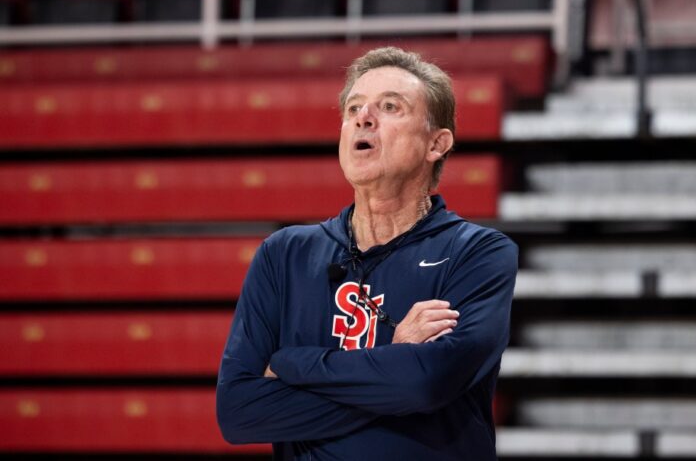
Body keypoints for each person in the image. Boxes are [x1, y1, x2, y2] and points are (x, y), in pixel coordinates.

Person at [217, 46, 518, 460]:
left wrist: (291, 363)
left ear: (437, 143)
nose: (363, 117)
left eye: (390, 106)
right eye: (354, 108)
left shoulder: (479, 254)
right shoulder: (283, 255)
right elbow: (239, 413)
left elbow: (424, 384)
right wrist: (394, 363)